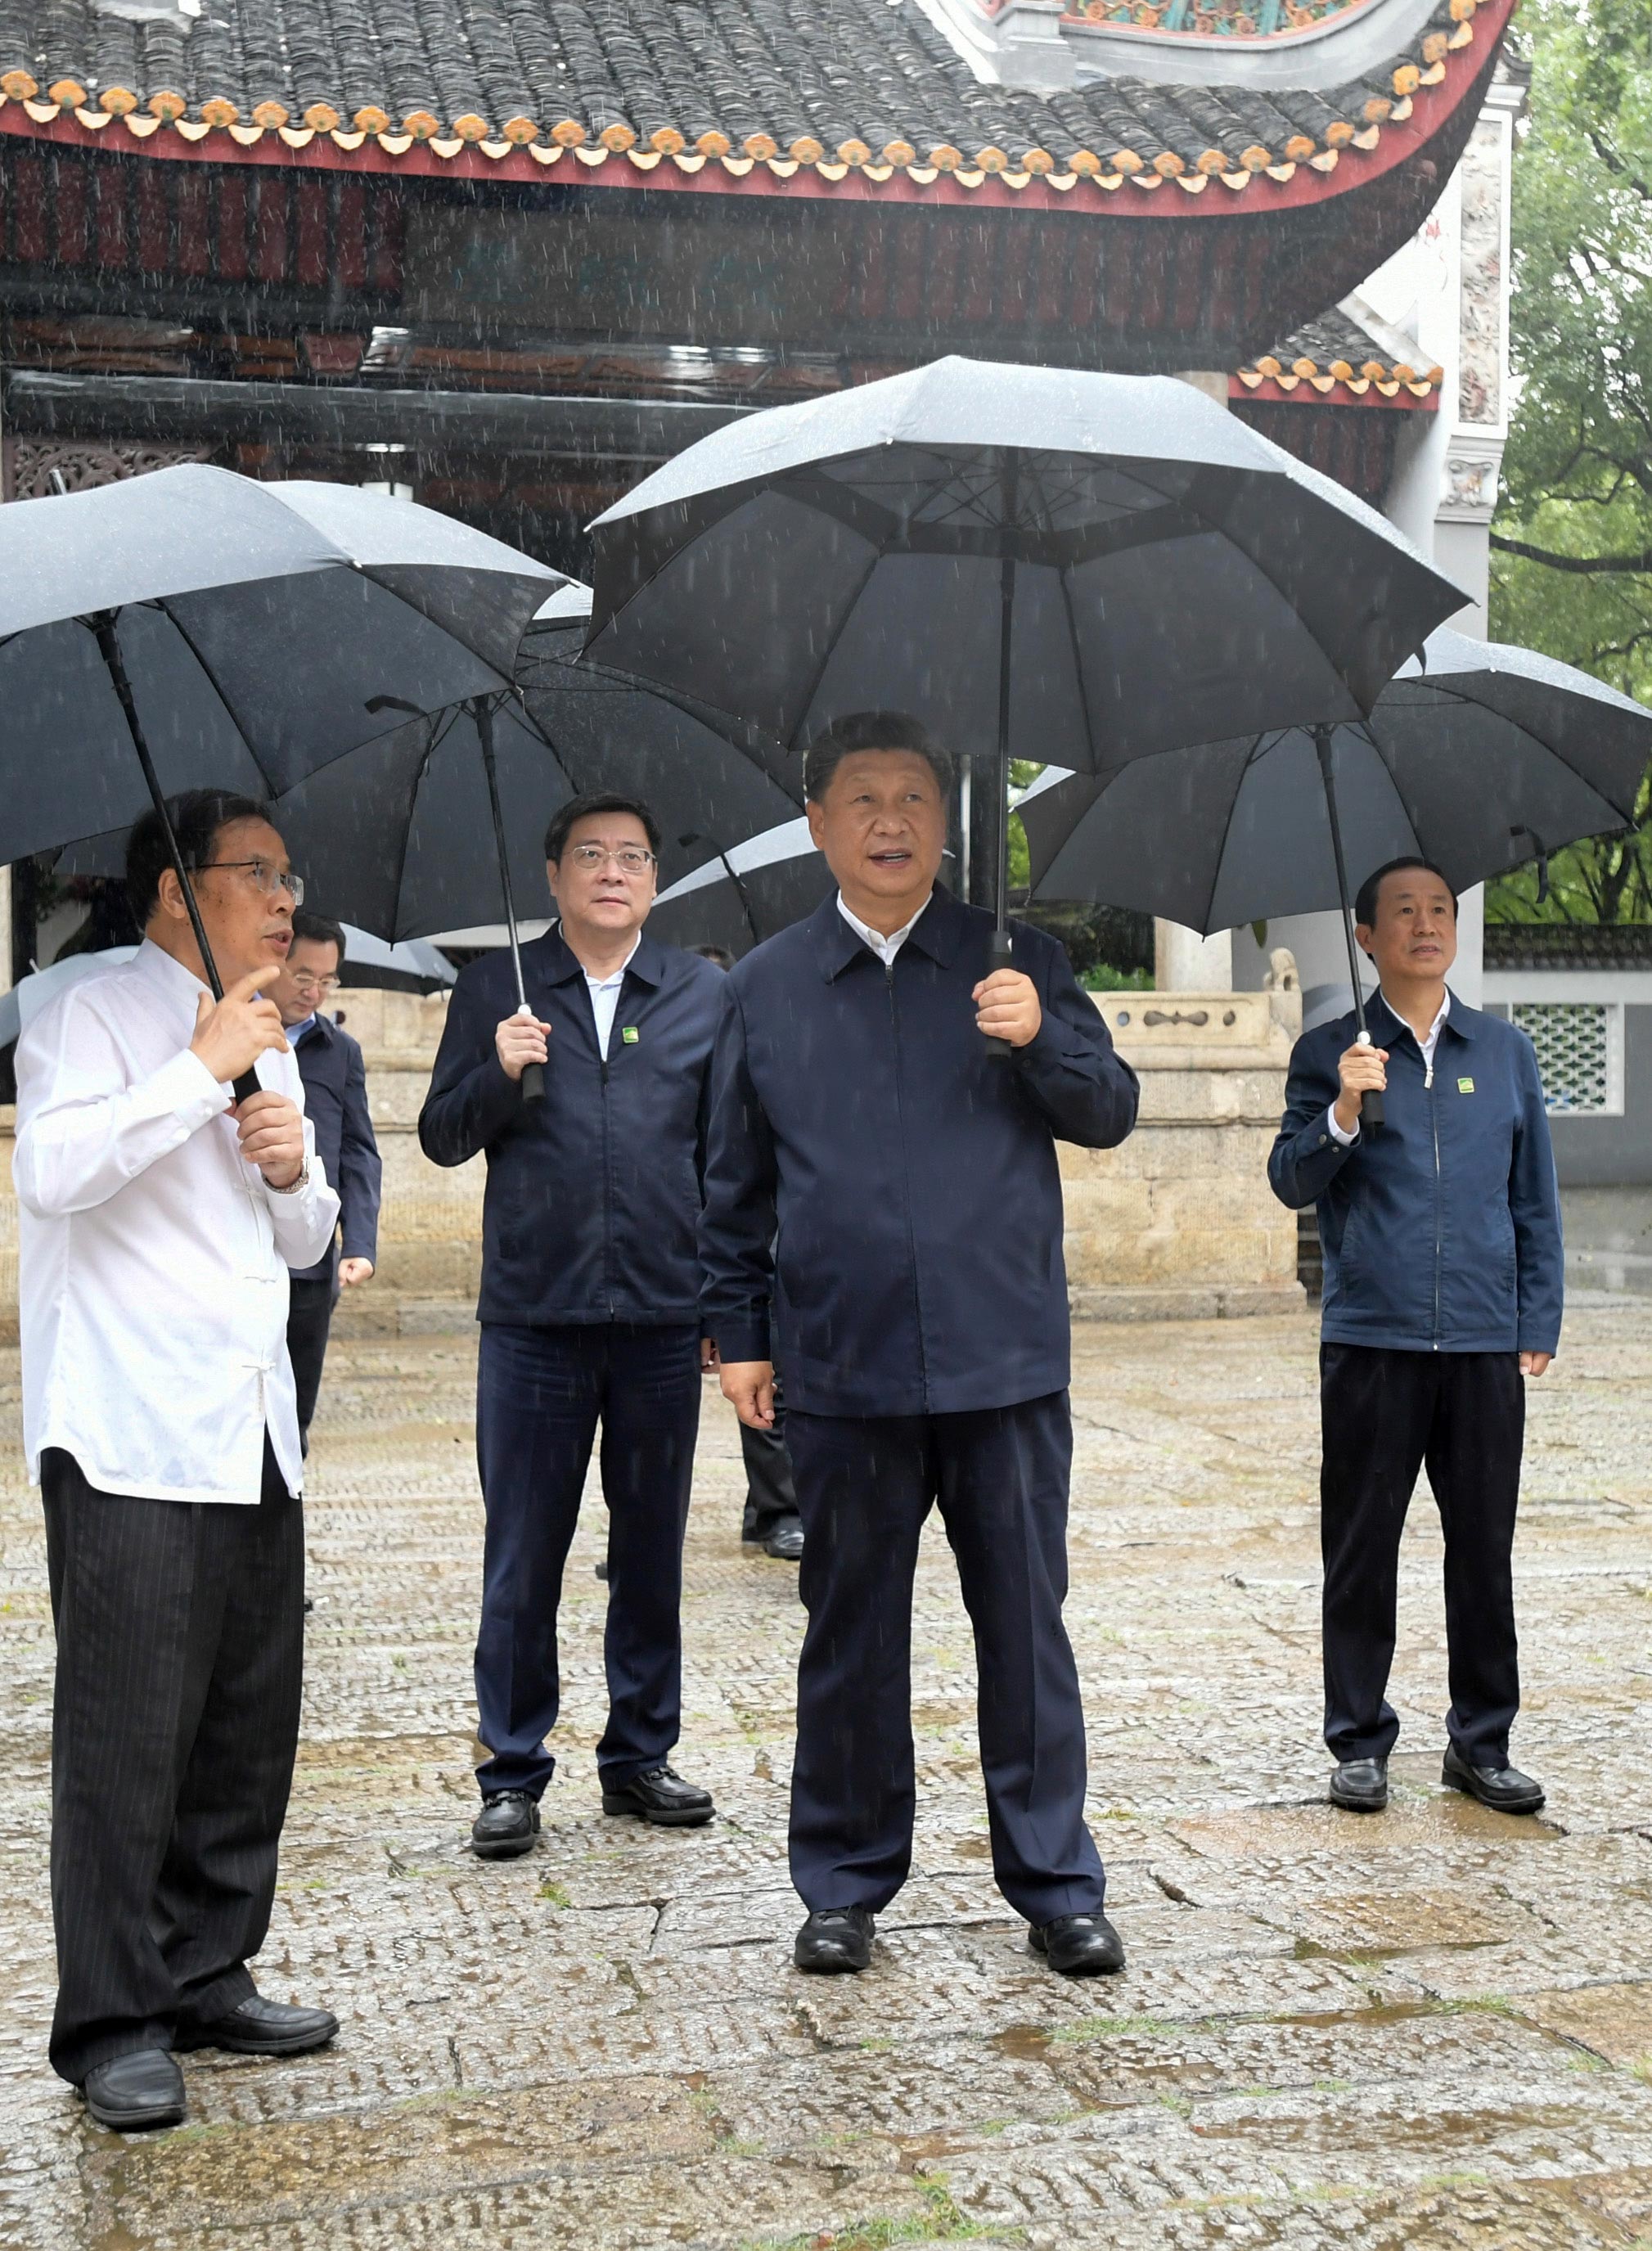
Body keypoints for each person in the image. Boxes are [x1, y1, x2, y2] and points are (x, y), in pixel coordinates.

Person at [700, 712, 1141, 1978]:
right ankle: (841, 1878)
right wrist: (738, 1334)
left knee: (1024, 1627)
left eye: (912, 796)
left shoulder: (1017, 961)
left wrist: (1037, 1033)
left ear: (947, 821)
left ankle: (1054, 1880)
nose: (889, 820)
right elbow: (730, 1185)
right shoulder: (765, 985)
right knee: (848, 1632)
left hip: (1003, 1361)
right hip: (841, 1367)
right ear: (816, 825)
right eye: (861, 798)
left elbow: (1107, 1109)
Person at [12, 790, 342, 2133]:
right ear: (171, 888)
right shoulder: (79, 1007)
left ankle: (207, 1970)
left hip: (252, 1423)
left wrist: (284, 1173)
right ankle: (110, 2019)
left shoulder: (275, 1030)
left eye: (286, 874)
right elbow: (55, 1172)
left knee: (239, 1731)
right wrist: (194, 1070)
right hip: (131, 1428)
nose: (283, 900)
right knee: (124, 1738)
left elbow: (310, 1243)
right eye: (256, 875)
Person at [420, 793, 725, 1861]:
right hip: (533, 1320)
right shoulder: (494, 991)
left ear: (653, 878)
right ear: (551, 875)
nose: (611, 870)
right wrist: (497, 1072)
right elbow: (443, 1136)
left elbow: (726, 1158)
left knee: (649, 1551)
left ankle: (639, 1753)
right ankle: (511, 1770)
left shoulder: (698, 993)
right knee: (523, 1554)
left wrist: (726, 1304)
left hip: (658, 1319)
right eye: (589, 854)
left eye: (632, 855)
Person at [1268, 856, 1564, 1818]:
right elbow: (1290, 1182)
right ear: (1366, 936)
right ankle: (1358, 1742)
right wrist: (1344, 1112)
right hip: (1372, 1339)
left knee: (1483, 1548)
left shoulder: (1505, 1052)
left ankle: (1482, 1744)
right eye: (1403, 911)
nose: (1426, 925)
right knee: (1362, 1547)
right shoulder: (1328, 1052)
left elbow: (1535, 1199)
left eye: (1440, 909)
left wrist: (1537, 1313)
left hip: (1483, 1341)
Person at [688, 943, 805, 1565]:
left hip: (782, 1218)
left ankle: (772, 1505)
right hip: (712, 1222)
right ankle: (777, 1505)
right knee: (758, 1369)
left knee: (776, 1366)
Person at [272, 912, 381, 1450]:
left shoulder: (341, 1053)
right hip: (242, 1252)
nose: (314, 991)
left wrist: (358, 1242)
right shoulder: (233, 1038)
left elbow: (361, 1153)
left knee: (294, 1418)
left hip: (313, 1265)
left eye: (327, 980)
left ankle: (278, 1525)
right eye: (302, 976)